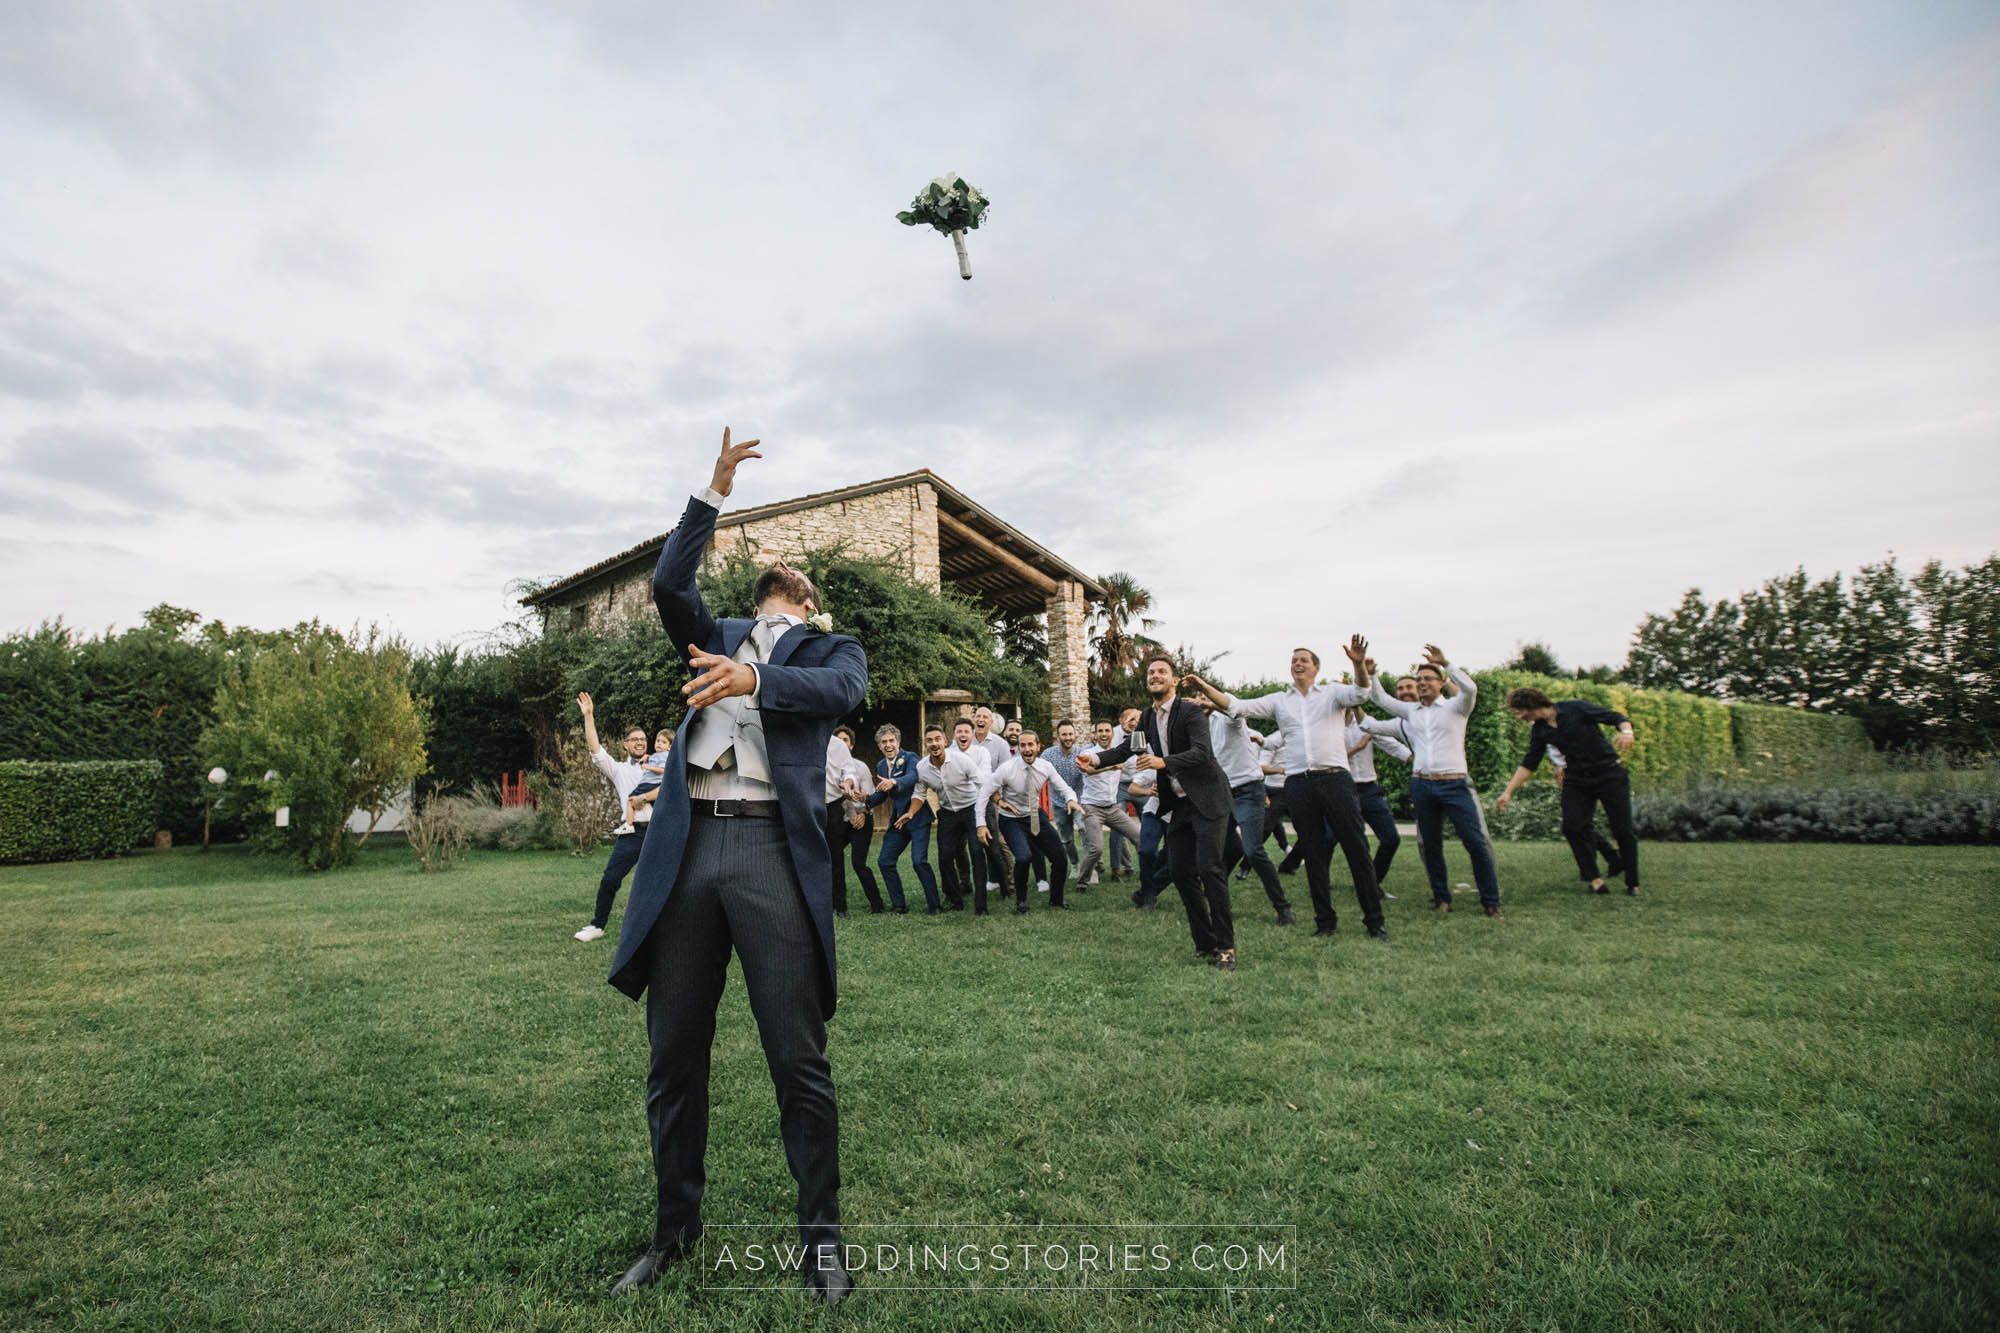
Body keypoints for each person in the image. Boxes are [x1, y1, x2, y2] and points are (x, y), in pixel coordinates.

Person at [605, 427, 864, 1303]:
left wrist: (755, 684)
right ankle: (674, 1231)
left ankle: (822, 1243)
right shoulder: (712, 630)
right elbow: (667, 583)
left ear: (809, 602)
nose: (782, 576)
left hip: (766, 848)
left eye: (795, 581)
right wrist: (712, 489)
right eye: (774, 577)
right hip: (685, 851)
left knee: (797, 1057)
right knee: (674, 1053)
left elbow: (839, 697)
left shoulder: (831, 647)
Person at [1183, 637, 1391, 944]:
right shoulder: (1280, 700)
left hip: (1335, 779)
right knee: (1314, 852)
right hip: (1299, 783)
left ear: (1316, 667)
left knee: (1356, 849)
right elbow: (1237, 705)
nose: (1297, 664)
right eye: (1294, 660)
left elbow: (1362, 691)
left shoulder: (1333, 694)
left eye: (1304, 660)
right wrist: (1203, 683)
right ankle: (1325, 921)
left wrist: (1358, 663)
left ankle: (1375, 922)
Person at [1081, 654, 1238, 969]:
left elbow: (1201, 753)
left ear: (1174, 680)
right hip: (1179, 803)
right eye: (1151, 672)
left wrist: (1162, 762)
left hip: (1208, 799)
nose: (1155, 676)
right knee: (1179, 871)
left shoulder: (1190, 711)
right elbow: (1130, 749)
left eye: (1162, 672)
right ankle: (1205, 942)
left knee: (1210, 869)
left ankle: (1226, 947)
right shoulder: (1148, 719)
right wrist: (1096, 760)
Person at [1365, 644, 1502, 918]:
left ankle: (1491, 901)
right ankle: (1441, 897)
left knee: (1475, 842)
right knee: (1430, 844)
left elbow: (1471, 689)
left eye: (1428, 679)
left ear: (1441, 684)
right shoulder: (1411, 712)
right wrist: (1372, 675)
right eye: (1419, 680)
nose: (1422, 683)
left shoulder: (1456, 708)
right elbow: (1380, 700)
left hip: (1455, 784)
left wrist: (1446, 663)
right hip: (1422, 784)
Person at [1495, 687, 1639, 895]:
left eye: (1519, 711)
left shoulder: (1575, 708)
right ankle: (1595, 880)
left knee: (1622, 829)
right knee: (1572, 827)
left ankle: (1632, 883)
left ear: (1531, 705)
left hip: (1609, 774)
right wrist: (1508, 791)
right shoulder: (1540, 730)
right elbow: (1529, 763)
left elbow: (1616, 717)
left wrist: (1627, 732)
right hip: (1577, 779)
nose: (1518, 717)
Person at [1201, 697, 1295, 925]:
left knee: (1253, 850)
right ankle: (1217, 899)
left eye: (1205, 696)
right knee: (1226, 849)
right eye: (1198, 697)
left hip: (1248, 790)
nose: (1201, 701)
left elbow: (1232, 711)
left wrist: (1214, 703)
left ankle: (1283, 908)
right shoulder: (1200, 725)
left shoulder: (1228, 718)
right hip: (1224, 792)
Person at [975, 728, 1084, 912]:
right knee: (1024, 857)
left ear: (1038, 747)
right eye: (1022, 745)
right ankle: (1021, 901)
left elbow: (1064, 788)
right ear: (1018, 748)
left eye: (1030, 745)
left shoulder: (1045, 767)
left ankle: (1056, 900)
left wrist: (1071, 799)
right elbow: (984, 792)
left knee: (1060, 858)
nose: (1026, 749)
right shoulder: (1007, 768)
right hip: (1011, 819)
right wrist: (981, 824)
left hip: (1035, 815)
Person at [573, 699, 654, 942]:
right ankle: (598, 925)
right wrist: (589, 716)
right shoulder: (620, 770)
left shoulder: (662, 764)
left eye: (643, 739)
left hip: (659, 832)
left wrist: (645, 796)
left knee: (665, 881)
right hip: (632, 833)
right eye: (634, 739)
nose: (640, 742)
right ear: (626, 745)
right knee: (610, 878)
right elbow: (596, 750)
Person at [867, 724, 940, 915]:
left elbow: (914, 776)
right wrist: (865, 801)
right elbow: (882, 795)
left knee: (919, 861)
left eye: (891, 741)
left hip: (918, 817)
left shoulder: (910, 758)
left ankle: (935, 905)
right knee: (885, 861)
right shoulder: (882, 765)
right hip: (899, 820)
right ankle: (899, 905)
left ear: (898, 742)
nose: (888, 745)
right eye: (884, 742)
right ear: (879, 746)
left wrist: (895, 782)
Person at [916, 722, 985, 912]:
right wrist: (910, 813)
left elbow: (982, 785)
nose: (934, 743)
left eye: (938, 739)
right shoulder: (922, 768)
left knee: (976, 852)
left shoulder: (961, 760)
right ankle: (956, 900)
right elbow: (919, 794)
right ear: (925, 744)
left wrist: (983, 816)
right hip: (947, 813)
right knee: (945, 857)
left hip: (971, 808)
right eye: (929, 740)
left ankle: (981, 903)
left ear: (945, 741)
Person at [1344, 706, 1411, 899]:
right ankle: (1320, 883)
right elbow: (1328, 757)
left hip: (1369, 789)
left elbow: (1390, 743)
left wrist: (1414, 756)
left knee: (1391, 839)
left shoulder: (1366, 723)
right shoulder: (1327, 725)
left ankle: (1371, 884)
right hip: (1342, 790)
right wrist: (1357, 747)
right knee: (1333, 840)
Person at [1074, 719, 1143, 889]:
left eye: (1107, 731)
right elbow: (1088, 770)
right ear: (1095, 735)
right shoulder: (1089, 753)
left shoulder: (1118, 753)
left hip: (1113, 808)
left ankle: (1148, 875)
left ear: (1113, 734)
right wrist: (1111, 767)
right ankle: (1082, 882)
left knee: (1140, 838)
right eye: (1100, 731)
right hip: (1092, 808)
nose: (1104, 734)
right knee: (1096, 849)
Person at [824, 725, 884, 916]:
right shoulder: (829, 766)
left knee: (858, 863)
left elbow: (872, 796)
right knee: (833, 860)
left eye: (845, 740)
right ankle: (838, 906)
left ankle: (877, 904)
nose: (842, 743)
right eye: (838, 740)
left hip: (862, 820)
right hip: (840, 820)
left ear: (850, 746)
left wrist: (863, 812)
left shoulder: (860, 768)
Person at [1044, 720, 1088, 872]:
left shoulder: (1082, 754)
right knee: (1066, 839)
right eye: (1064, 734)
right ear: (1058, 736)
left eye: (1070, 734)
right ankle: (1075, 865)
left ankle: (1090, 868)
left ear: (1075, 735)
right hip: (1059, 804)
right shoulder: (1048, 754)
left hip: (1080, 802)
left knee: (1084, 831)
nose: (1068, 737)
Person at [617, 732, 674, 835]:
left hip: (650, 783)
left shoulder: (664, 756)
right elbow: (656, 759)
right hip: (652, 783)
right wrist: (648, 757)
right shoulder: (660, 755)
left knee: (630, 800)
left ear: (670, 747)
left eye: (663, 742)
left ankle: (628, 825)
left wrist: (648, 767)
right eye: (658, 741)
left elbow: (663, 769)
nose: (659, 744)